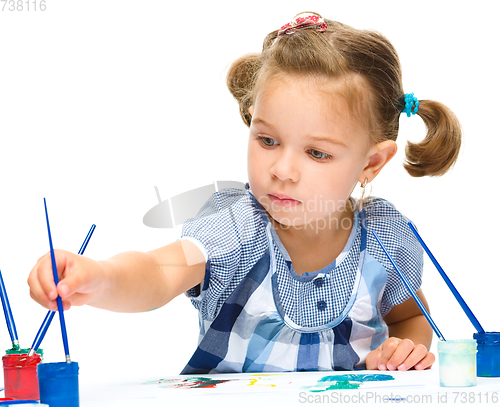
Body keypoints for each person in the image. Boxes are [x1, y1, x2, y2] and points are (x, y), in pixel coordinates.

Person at [28, 12, 461, 373]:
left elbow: (408, 316)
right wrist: (100, 278)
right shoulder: (236, 226)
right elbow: (159, 271)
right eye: (268, 140)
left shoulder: (385, 238)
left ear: (370, 163)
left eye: (316, 153)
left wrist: (402, 349)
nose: (283, 170)